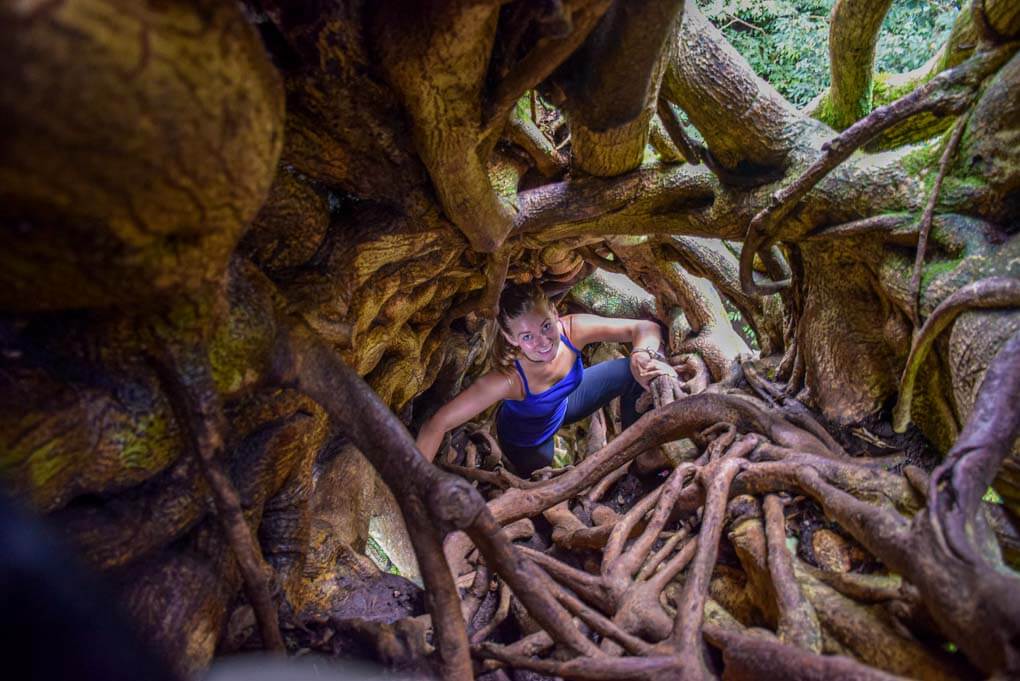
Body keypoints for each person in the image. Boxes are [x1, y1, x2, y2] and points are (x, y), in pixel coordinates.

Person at [415, 282, 677, 476]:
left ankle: (641, 456)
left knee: (629, 372)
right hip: (529, 440)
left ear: (554, 312)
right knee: (547, 481)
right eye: (527, 337)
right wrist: (414, 486)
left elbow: (645, 327)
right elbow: (436, 424)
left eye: (546, 326)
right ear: (511, 339)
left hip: (565, 404)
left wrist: (641, 355)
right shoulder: (508, 380)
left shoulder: (572, 330)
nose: (543, 342)